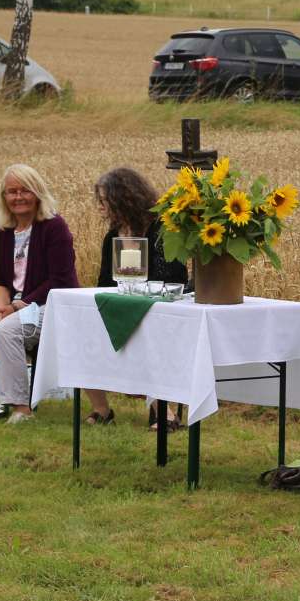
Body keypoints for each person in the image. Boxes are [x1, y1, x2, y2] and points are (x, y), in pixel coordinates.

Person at [0, 164, 78, 423]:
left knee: (6, 330)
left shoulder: (54, 226)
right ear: (4, 197)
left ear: (37, 193)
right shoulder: (1, 230)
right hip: (12, 303)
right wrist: (1, 307)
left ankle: (21, 408)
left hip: (47, 305)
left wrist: (16, 308)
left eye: (25, 190)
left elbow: (59, 280)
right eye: (12, 192)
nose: (18, 197)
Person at [83, 167, 190, 426]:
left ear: (124, 199)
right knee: (84, 330)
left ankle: (162, 410)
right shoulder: (112, 236)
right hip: (122, 303)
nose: (100, 207)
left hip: (160, 307)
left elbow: (175, 276)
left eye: (104, 201)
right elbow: (104, 283)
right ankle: (102, 408)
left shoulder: (161, 230)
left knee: (145, 333)